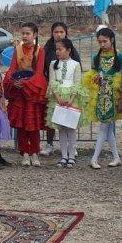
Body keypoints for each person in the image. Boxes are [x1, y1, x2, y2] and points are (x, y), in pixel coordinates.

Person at [4, 22, 48, 167]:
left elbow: (39, 72)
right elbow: (12, 69)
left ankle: (35, 152)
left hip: (33, 91)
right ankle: (25, 153)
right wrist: (11, 80)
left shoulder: (40, 50)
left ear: (34, 34)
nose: (24, 36)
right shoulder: (17, 49)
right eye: (23, 33)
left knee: (33, 124)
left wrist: (27, 84)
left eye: (27, 33)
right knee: (22, 125)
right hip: (19, 92)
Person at [84, 26, 122, 169]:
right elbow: (93, 74)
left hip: (113, 96)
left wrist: (121, 99)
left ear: (112, 40)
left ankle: (94, 158)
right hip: (101, 95)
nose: (102, 44)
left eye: (104, 41)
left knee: (103, 128)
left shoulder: (119, 56)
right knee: (107, 128)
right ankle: (116, 157)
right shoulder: (97, 57)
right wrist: (95, 79)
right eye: (99, 42)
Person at [40, 22, 81, 156]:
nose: (58, 34)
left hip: (69, 91)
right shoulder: (47, 49)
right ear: (52, 33)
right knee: (53, 119)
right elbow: (43, 68)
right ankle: (49, 144)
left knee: (69, 119)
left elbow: (76, 73)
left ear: (65, 33)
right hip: (53, 88)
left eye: (61, 32)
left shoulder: (72, 51)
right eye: (56, 32)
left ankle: (72, 146)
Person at [46, 38, 87, 168]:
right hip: (58, 98)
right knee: (61, 128)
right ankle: (63, 156)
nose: (57, 52)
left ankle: (72, 156)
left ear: (68, 50)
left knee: (71, 127)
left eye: (60, 49)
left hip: (71, 98)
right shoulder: (53, 64)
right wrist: (57, 96)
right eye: (56, 49)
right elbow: (52, 81)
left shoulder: (75, 64)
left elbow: (77, 82)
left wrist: (72, 99)